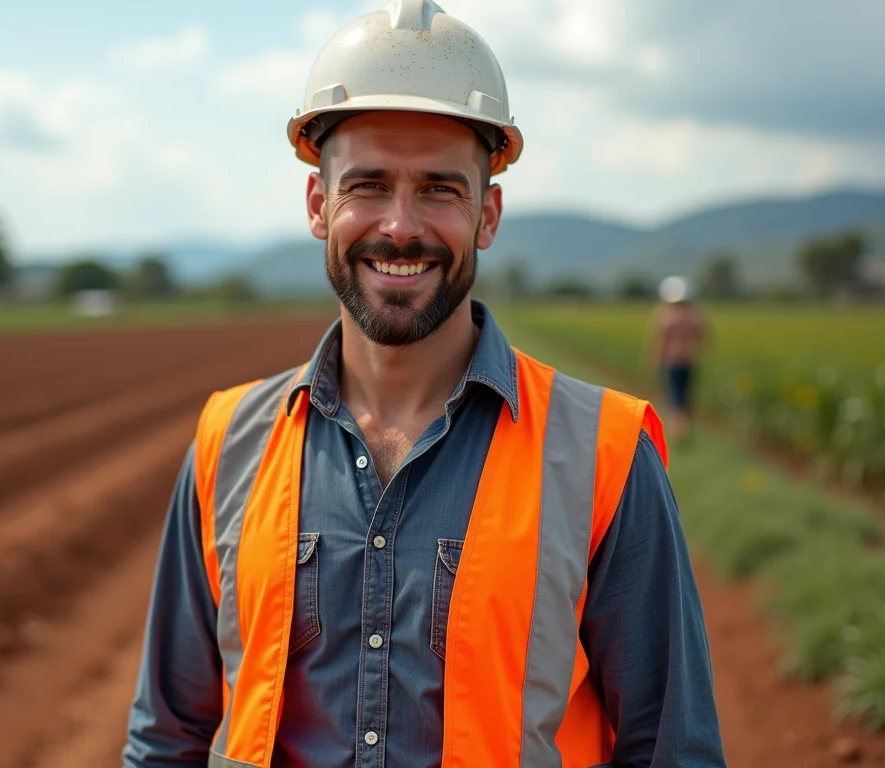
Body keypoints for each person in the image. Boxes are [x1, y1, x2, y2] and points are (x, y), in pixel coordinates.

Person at [124, 1, 726, 765]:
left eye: (440, 189)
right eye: (368, 185)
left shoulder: (606, 457)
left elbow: (671, 750)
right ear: (318, 205)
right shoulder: (229, 441)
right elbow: (167, 736)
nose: (401, 226)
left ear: (488, 215)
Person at [647, 276, 711, 445]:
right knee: (686, 397)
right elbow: (706, 337)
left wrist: (653, 361)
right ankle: (684, 430)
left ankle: (678, 433)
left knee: (674, 398)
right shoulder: (694, 316)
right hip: (689, 360)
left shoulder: (665, 315)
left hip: (672, 361)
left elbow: (657, 340)